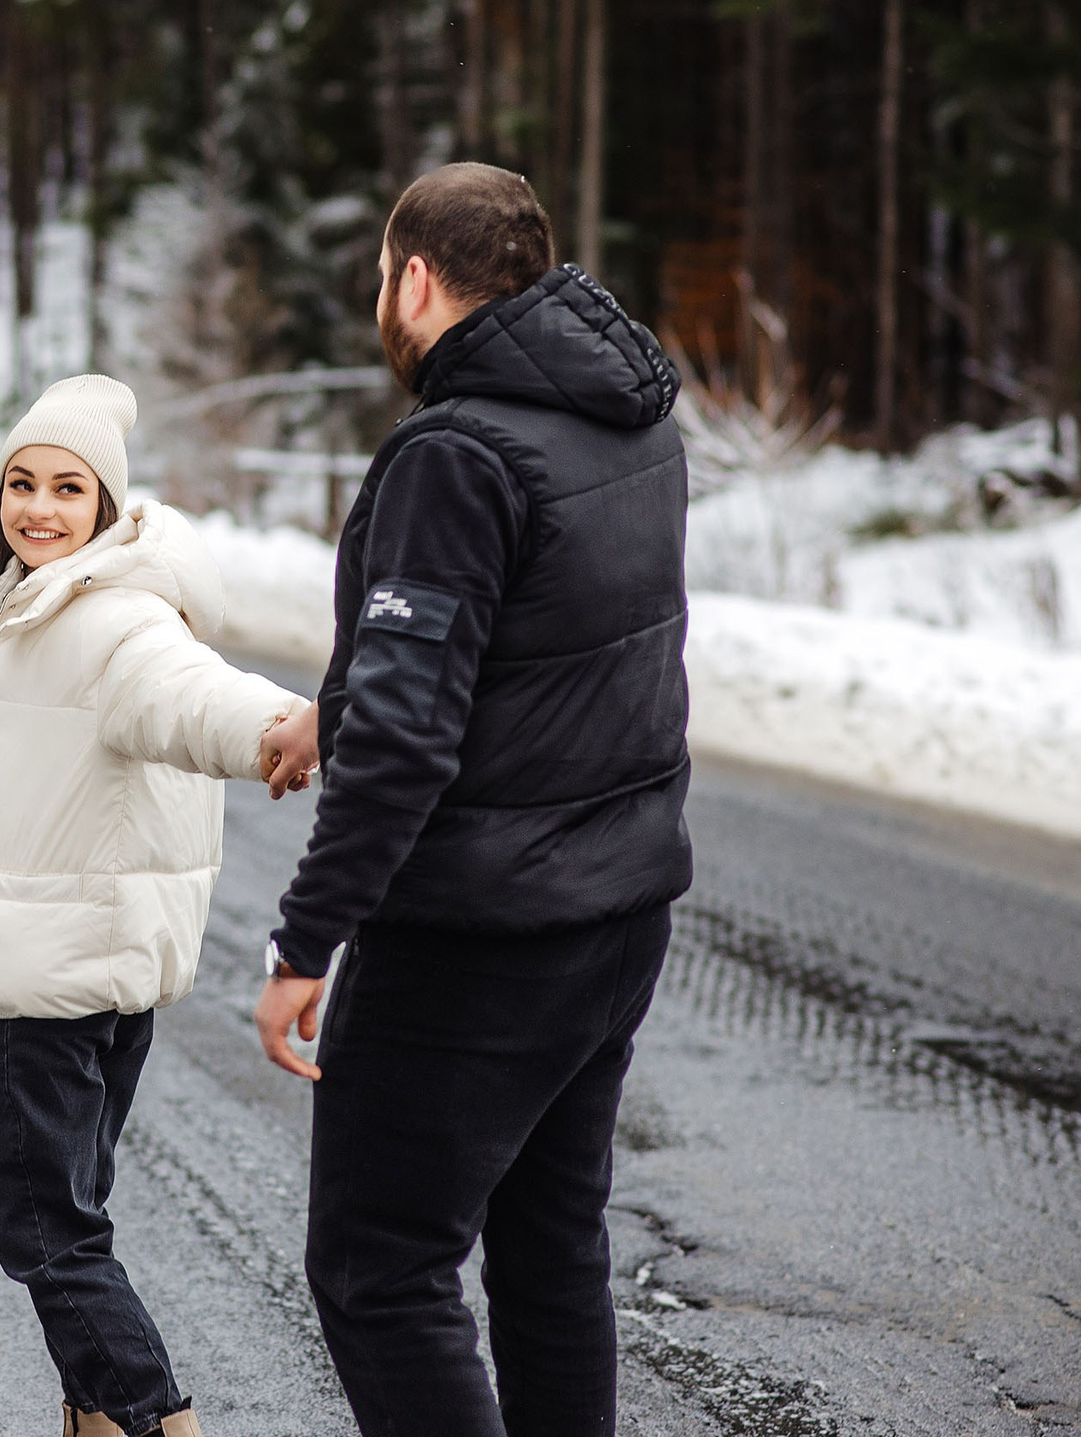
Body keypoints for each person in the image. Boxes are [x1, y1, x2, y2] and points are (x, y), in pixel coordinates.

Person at [252, 164, 691, 1437]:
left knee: (378, 1267)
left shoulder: (456, 453)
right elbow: (541, 640)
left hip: (476, 941)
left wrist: (302, 938)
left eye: (379, 276)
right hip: (614, 915)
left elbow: (405, 738)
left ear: (416, 278)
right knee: (552, 1251)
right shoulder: (629, 418)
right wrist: (331, 706)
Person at [0, 373, 316, 1437]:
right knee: (71, 1218)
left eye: (65, 487)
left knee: (49, 1236)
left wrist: (283, 723)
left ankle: (153, 1418)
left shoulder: (107, 619)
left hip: (44, 976)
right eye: (20, 482)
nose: (37, 508)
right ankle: (93, 1416)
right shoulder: (29, 604)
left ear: (104, 504)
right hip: (82, 965)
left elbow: (189, 693)